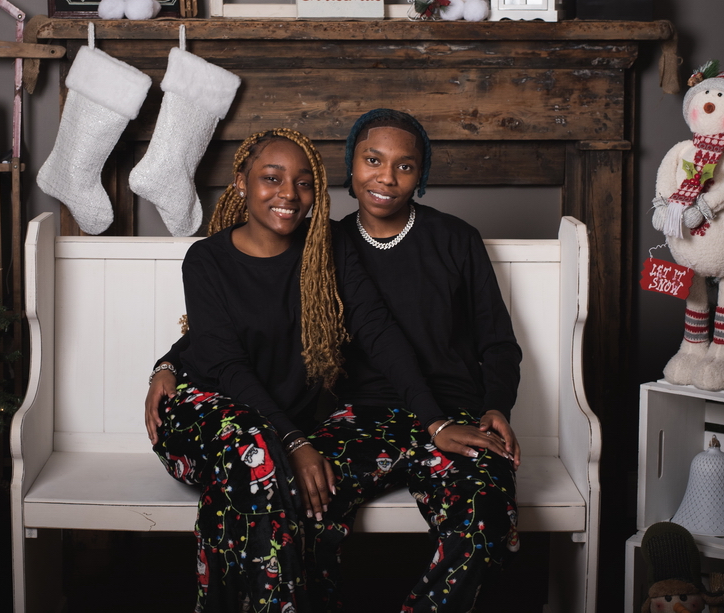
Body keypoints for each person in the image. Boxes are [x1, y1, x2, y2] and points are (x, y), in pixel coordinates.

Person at [146, 128, 455, 612]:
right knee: (258, 453)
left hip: (276, 428)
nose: (289, 193)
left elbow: (377, 330)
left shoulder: (326, 246)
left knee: (272, 476)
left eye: (304, 182)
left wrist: (435, 420)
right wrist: (294, 442)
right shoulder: (206, 259)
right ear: (242, 182)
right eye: (272, 178)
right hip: (205, 416)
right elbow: (224, 361)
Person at [303, 108, 524, 613]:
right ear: (350, 164)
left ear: (420, 175)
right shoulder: (326, 245)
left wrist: (496, 406)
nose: (386, 177)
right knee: (302, 501)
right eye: (372, 160)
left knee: (485, 517)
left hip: (455, 415)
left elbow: (498, 343)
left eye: (404, 166)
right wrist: (168, 365)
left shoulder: (456, 239)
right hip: (363, 416)